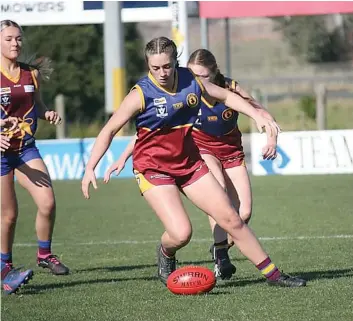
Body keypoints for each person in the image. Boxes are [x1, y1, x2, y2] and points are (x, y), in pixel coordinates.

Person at [82, 36, 306, 288]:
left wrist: (256, 114)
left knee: (232, 219)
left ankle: (275, 276)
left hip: (189, 164)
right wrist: (91, 166)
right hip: (153, 169)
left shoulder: (191, 80)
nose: (162, 73)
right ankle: (166, 252)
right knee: (181, 234)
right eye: (155, 68)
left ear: (175, 62)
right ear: (148, 66)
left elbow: (226, 96)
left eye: (167, 66)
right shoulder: (141, 93)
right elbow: (109, 130)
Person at [1, 20, 69, 295]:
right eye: (8, 39)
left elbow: (36, 104)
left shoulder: (31, 74)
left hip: (26, 147)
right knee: (9, 214)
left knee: (48, 202)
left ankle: (44, 255)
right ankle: (5, 270)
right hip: (1, 152)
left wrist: (47, 113)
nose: (15, 43)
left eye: (18, 38)